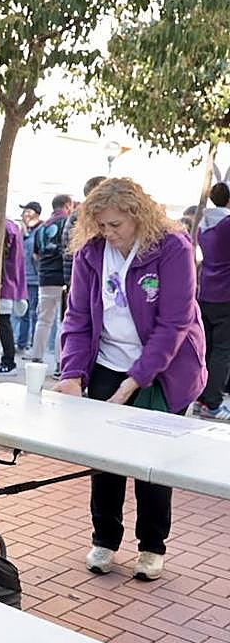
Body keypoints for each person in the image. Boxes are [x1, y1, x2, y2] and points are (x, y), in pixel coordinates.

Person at [56, 178, 206, 581]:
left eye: (116, 225)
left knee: (152, 463)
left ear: (138, 217)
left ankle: (152, 546)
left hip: (164, 370)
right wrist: (72, 373)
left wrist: (135, 381)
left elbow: (175, 323)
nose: (108, 233)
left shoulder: (172, 248)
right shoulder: (91, 253)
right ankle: (105, 538)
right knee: (105, 459)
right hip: (108, 363)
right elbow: (78, 318)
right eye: (101, 225)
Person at [195, 181, 230, 420]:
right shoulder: (227, 225)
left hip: (206, 292)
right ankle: (213, 404)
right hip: (226, 295)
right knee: (223, 351)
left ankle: (200, 398)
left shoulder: (203, 225)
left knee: (206, 350)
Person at [30, 193, 74, 367]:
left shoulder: (42, 227)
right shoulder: (67, 223)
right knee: (62, 321)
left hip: (44, 277)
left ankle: (36, 357)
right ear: (67, 205)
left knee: (43, 320)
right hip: (62, 277)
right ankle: (59, 363)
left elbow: (35, 255)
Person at [0, 211, 28, 374]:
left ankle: (8, 360)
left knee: (3, 323)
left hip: (2, 283)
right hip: (9, 282)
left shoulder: (3, 227)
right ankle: (8, 359)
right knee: (4, 323)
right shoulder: (12, 227)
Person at [15, 201, 43, 350]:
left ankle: (33, 344)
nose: (24, 214)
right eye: (24, 211)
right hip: (22, 277)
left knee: (34, 312)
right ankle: (21, 342)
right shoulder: (24, 231)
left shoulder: (41, 229)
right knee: (22, 312)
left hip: (35, 278)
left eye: (28, 211)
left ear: (36, 213)